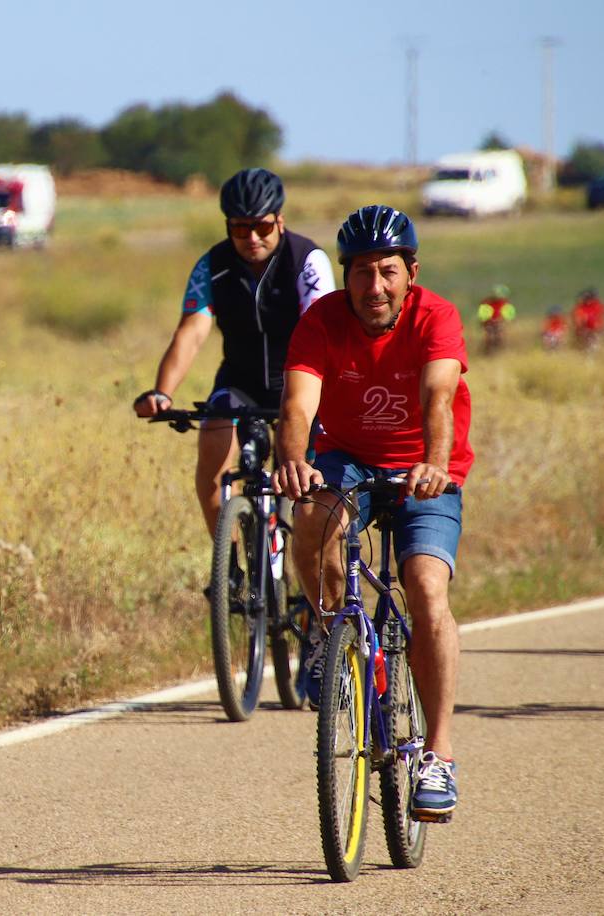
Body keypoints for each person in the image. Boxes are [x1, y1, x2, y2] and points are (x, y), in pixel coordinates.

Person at [273, 204, 473, 822]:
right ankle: (335, 637)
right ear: (346, 276)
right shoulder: (322, 319)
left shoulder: (436, 317)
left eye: (387, 271)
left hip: (423, 466)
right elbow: (299, 407)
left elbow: (439, 396)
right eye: (361, 272)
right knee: (311, 520)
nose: (374, 286)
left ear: (410, 271)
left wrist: (434, 461)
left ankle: (437, 755)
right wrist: (294, 459)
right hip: (348, 459)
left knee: (424, 589)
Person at [133, 167, 335, 539]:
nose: (252, 238)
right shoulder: (213, 264)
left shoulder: (306, 260)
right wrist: (162, 392)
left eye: (262, 227)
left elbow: (321, 332)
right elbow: (192, 330)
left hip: (302, 388)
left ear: (280, 220)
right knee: (212, 441)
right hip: (240, 382)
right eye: (240, 229)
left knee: (309, 494)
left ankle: (310, 579)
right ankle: (230, 571)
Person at [476, 284, 515, 353]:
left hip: (499, 322)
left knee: (500, 337)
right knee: (490, 337)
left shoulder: (505, 303)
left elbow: (509, 314)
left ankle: (500, 350)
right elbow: (483, 314)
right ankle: (487, 351)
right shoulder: (487, 302)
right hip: (489, 322)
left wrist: (504, 320)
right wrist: (485, 320)